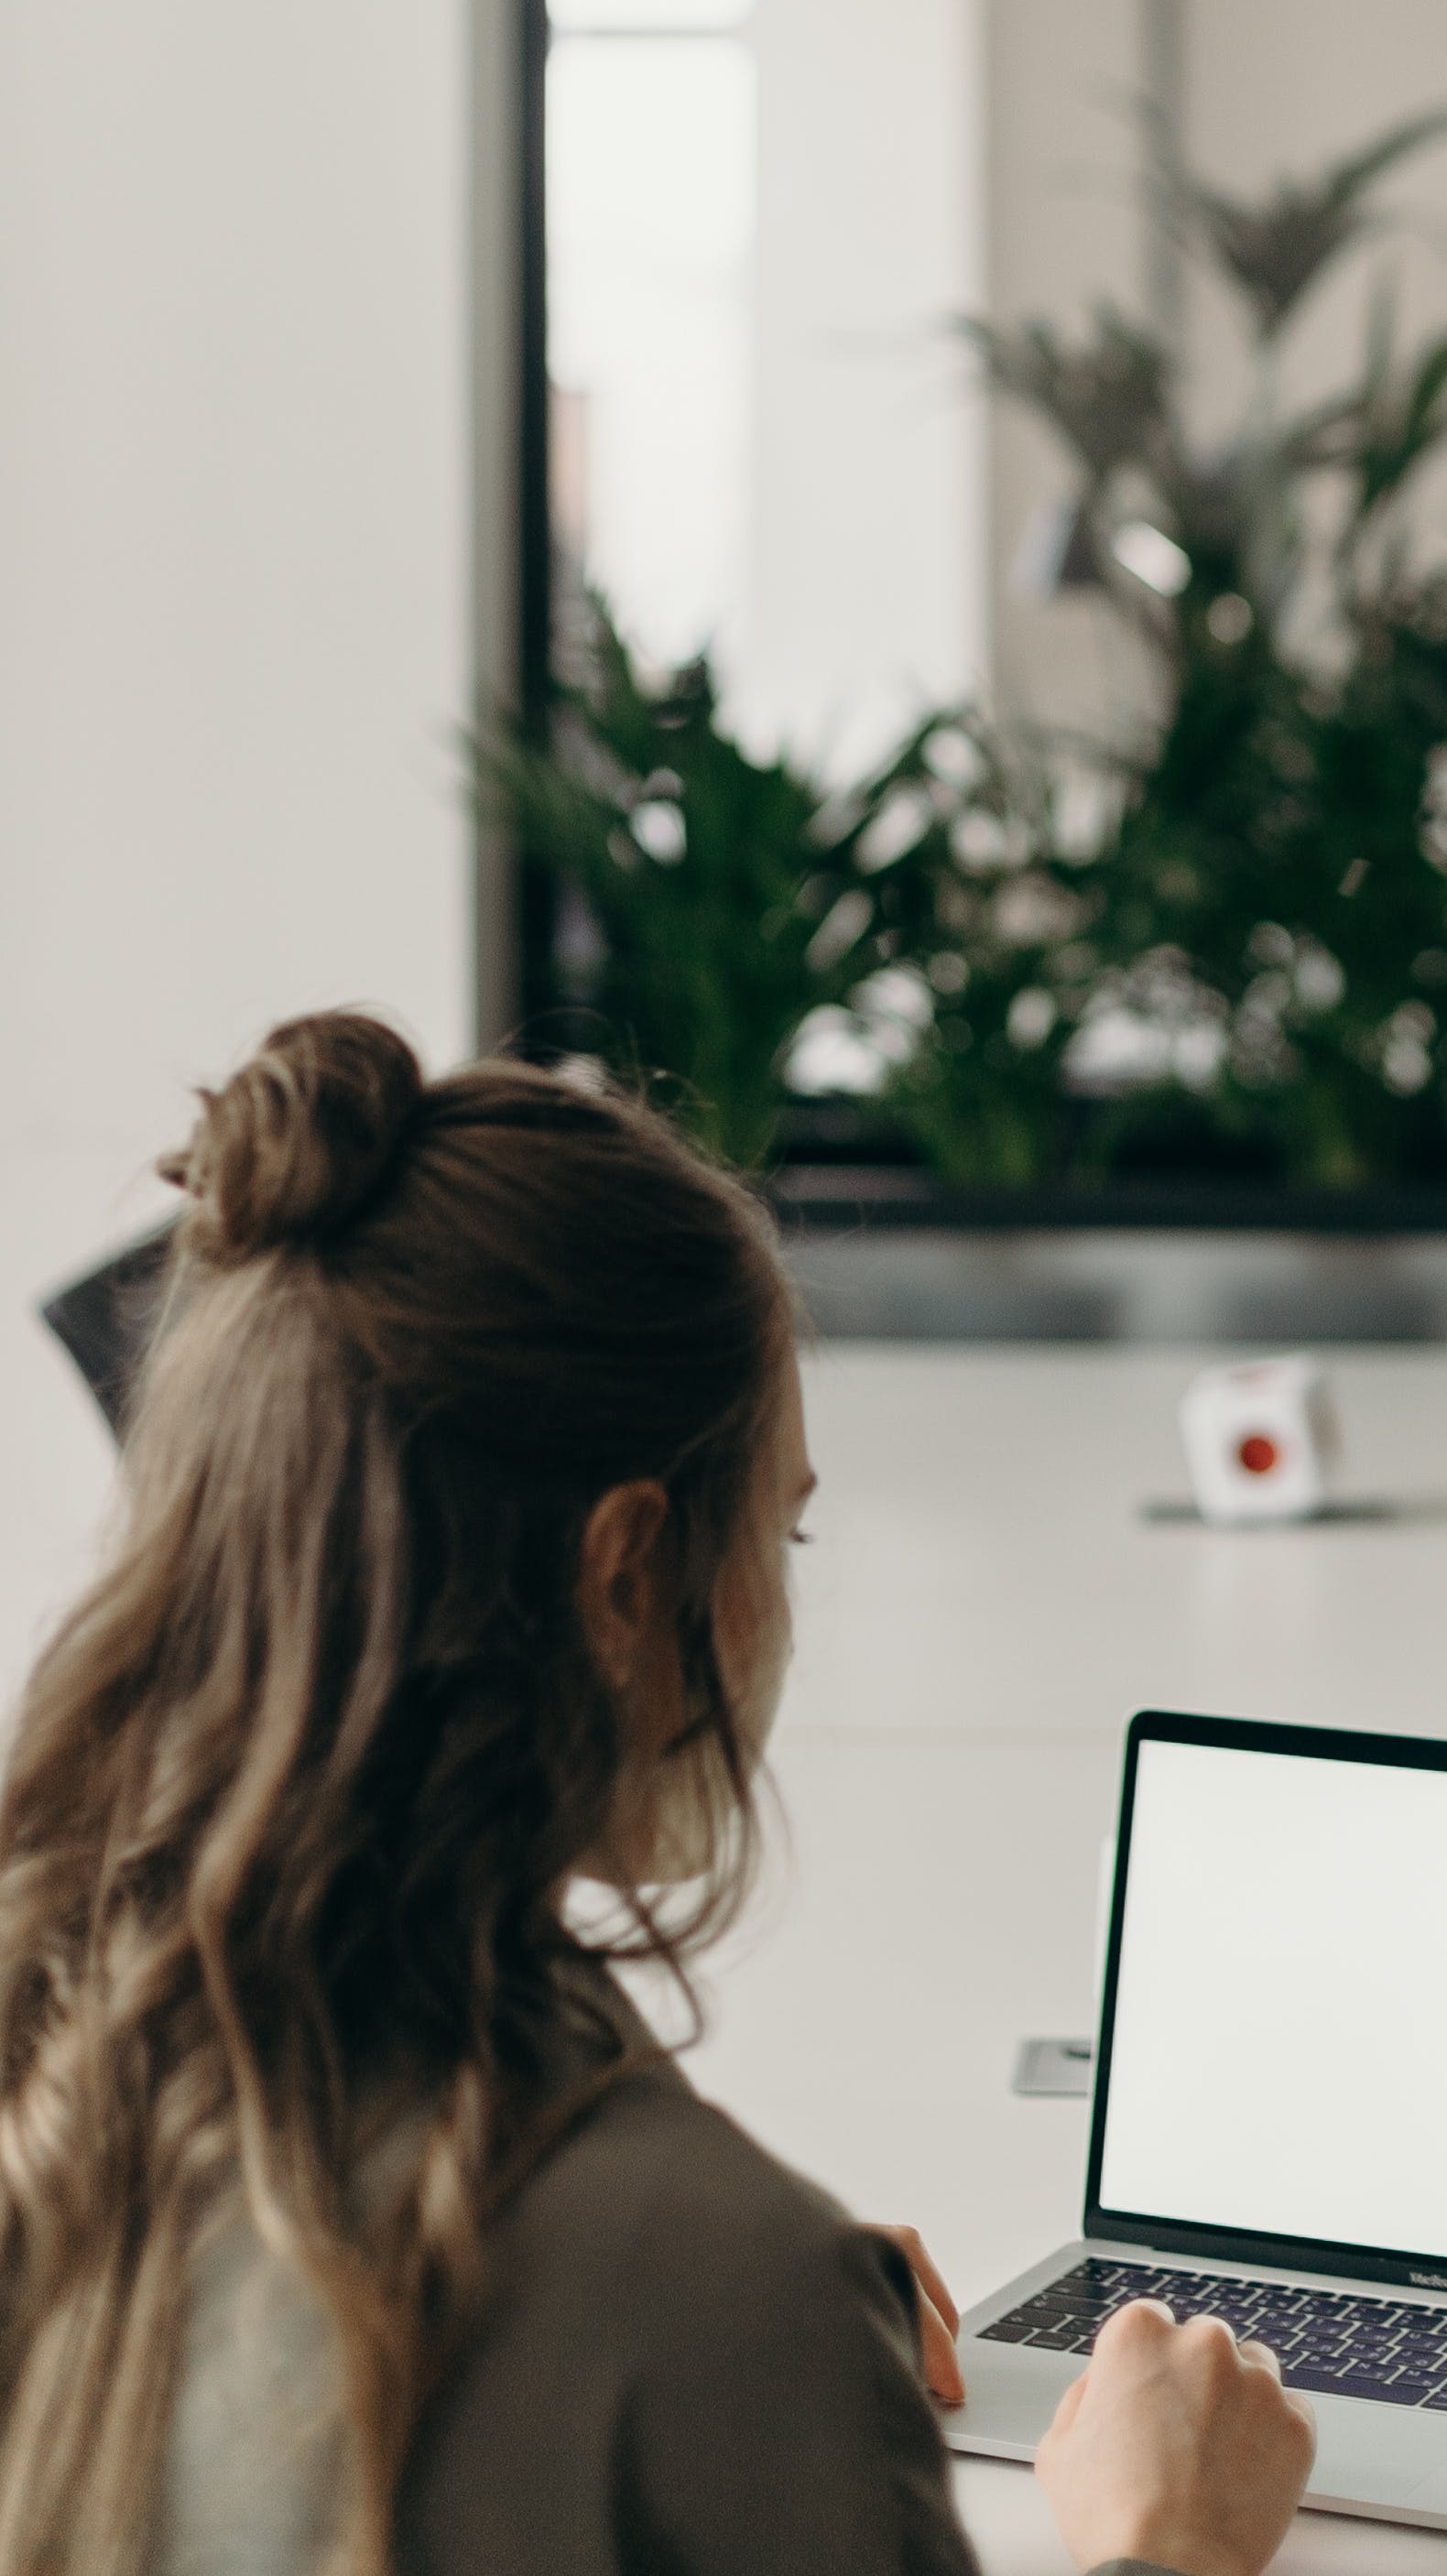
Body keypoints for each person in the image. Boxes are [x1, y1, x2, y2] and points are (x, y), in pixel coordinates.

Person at [0, 1013, 1314, 2576]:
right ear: (628, 1574)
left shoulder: (53, 2054)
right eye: (783, 1532)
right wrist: (1167, 2540)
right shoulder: (723, 2300)